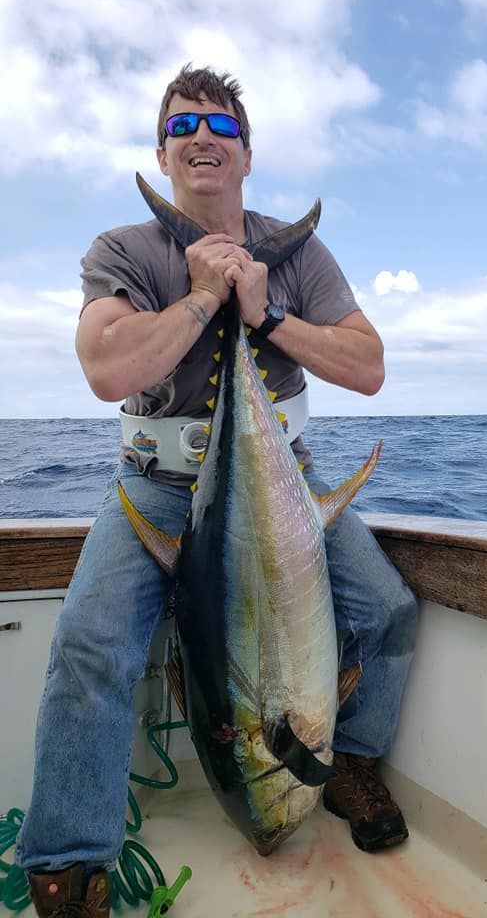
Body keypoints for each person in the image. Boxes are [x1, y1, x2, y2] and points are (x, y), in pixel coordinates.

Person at [15, 64, 419, 917]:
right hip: (157, 487)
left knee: (387, 610)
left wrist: (265, 312)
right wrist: (205, 297)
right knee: (90, 645)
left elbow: (369, 367)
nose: (204, 137)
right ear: (163, 153)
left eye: (223, 127)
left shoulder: (298, 251)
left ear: (246, 152)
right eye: (183, 126)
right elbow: (107, 367)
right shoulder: (122, 251)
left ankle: (346, 759)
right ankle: (66, 862)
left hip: (284, 488)